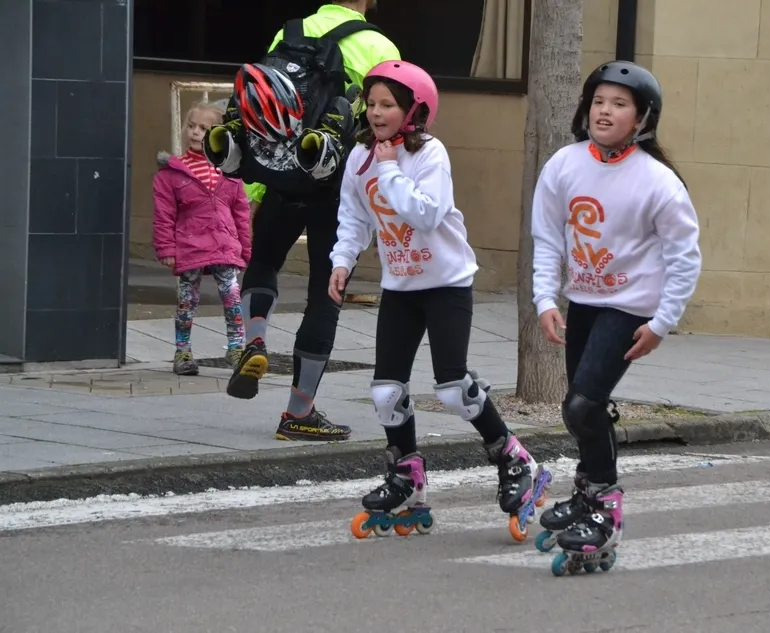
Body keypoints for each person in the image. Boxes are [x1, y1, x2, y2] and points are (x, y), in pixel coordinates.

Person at [330, 61, 551, 542]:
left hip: (447, 283)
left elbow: (426, 214)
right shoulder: (360, 156)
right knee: (385, 392)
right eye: (371, 104)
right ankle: (407, 476)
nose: (376, 113)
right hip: (400, 286)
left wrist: (390, 168)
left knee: (452, 387)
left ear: (414, 111)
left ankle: (514, 457)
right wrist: (342, 261)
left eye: (388, 105)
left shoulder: (429, 153)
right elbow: (354, 216)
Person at [530, 60, 702, 574]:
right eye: (599, 102)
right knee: (581, 408)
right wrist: (544, 299)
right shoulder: (564, 164)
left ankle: (605, 507)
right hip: (584, 301)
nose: (605, 112)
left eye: (619, 104)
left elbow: (684, 258)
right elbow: (547, 237)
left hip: (631, 308)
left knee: (583, 407)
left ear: (642, 118)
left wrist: (662, 323)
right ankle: (587, 493)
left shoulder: (658, 181)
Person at [203, 0, 400, 442]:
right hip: (337, 186)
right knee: (324, 296)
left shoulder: (290, 33)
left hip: (281, 176)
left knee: (264, 261)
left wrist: (256, 190)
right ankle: (298, 412)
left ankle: (254, 341)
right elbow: (387, 123)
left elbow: (262, 118)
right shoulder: (378, 45)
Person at [152, 100, 251, 376]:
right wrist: (166, 249)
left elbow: (241, 213)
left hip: (224, 246)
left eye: (204, 128)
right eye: (192, 126)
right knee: (187, 301)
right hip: (190, 246)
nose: (195, 132)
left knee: (232, 296)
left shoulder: (230, 171)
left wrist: (245, 249)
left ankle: (236, 348)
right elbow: (164, 215)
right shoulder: (172, 174)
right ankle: (182, 351)